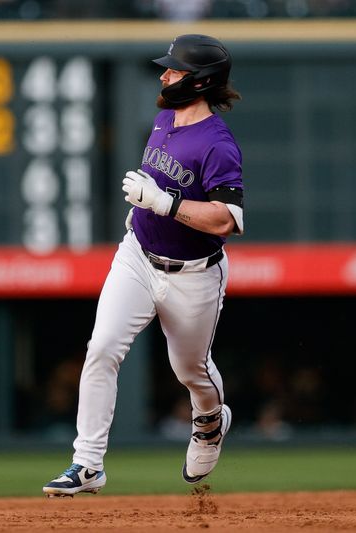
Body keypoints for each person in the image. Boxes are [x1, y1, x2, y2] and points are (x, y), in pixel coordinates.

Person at [43, 33, 243, 497]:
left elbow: (228, 219)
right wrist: (148, 209)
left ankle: (210, 421)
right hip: (137, 256)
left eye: (175, 70)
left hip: (194, 273)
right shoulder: (163, 120)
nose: (165, 74)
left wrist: (165, 203)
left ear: (201, 82)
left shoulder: (218, 144)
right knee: (102, 348)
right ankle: (87, 465)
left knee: (191, 371)